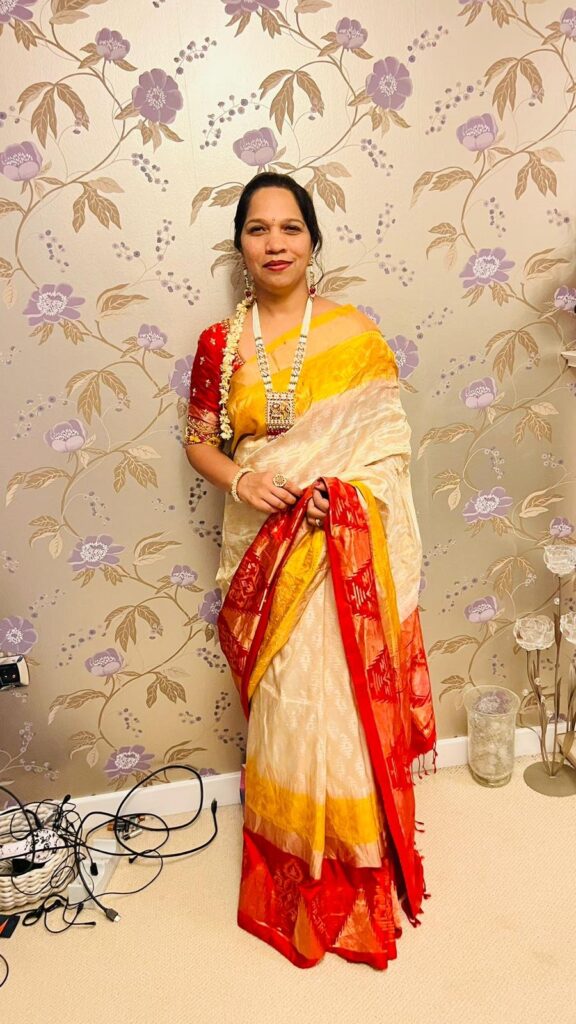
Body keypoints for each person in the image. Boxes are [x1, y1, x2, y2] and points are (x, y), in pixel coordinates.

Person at [185, 172, 436, 970]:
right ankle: (294, 854)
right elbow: (199, 443)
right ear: (240, 245)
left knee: (344, 702)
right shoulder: (220, 344)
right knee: (289, 703)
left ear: (313, 240)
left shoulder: (354, 333)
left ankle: (355, 855)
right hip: (268, 547)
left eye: (290, 227)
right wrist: (243, 481)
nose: (275, 243)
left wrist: (345, 498)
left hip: (337, 546)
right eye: (258, 229)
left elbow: (388, 447)